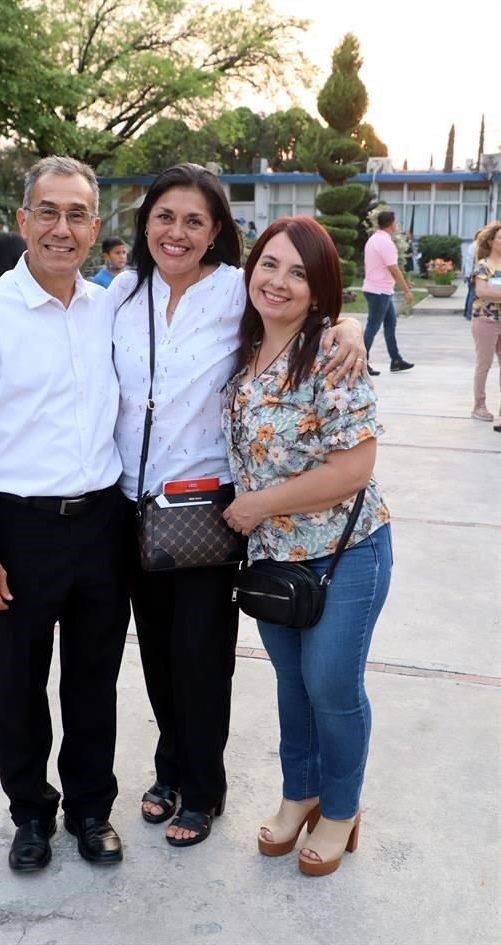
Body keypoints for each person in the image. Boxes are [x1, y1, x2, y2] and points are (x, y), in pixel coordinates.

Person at [108, 163, 366, 848]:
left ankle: (203, 786)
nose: (177, 232)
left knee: (201, 653)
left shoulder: (233, 292)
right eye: (165, 217)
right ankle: (169, 769)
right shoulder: (122, 293)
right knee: (158, 654)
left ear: (217, 230)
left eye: (195, 220)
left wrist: (351, 331)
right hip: (133, 506)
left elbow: (311, 312)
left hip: (211, 508)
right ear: (146, 222)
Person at [0, 156, 131, 872]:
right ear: (22, 221)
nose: (61, 227)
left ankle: (90, 809)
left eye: (77, 214)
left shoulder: (111, 305)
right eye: (47, 211)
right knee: (18, 684)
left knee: (93, 681)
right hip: (18, 526)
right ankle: (30, 813)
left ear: (95, 226)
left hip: (104, 522)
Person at [222, 215, 392, 876]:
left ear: (321, 289)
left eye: (299, 272)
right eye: (270, 264)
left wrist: (259, 504)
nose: (280, 281)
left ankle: (343, 808)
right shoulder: (240, 348)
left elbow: (353, 469)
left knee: (330, 683)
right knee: (293, 687)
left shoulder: (334, 352)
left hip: (347, 552)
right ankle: (302, 794)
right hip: (274, 560)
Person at [362, 210, 414, 376]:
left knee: (390, 324)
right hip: (379, 291)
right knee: (373, 326)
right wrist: (406, 290)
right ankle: (361, 361)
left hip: (378, 289)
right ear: (392, 224)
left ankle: (396, 360)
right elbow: (394, 269)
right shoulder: (385, 242)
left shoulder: (373, 240)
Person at [470, 220, 501, 428]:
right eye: (500, 238)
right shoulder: (483, 265)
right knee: (484, 364)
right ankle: (479, 406)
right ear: (491, 241)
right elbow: (481, 292)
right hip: (485, 320)